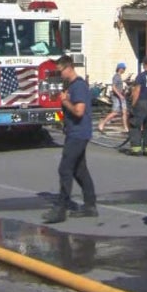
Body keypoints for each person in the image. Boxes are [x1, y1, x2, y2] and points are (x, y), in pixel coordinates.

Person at [42, 55, 97, 224]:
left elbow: (79, 111)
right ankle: (90, 206)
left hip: (78, 134)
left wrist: (65, 101)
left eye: (61, 71)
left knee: (65, 168)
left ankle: (61, 208)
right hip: (74, 132)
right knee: (79, 170)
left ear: (69, 68)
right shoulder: (72, 86)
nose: (60, 75)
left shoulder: (78, 86)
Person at [97, 62, 130, 133]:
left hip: (121, 96)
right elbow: (114, 87)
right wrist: (120, 95)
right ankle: (102, 123)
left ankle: (126, 128)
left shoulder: (119, 77)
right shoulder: (116, 76)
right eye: (124, 68)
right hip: (117, 96)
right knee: (115, 112)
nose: (124, 70)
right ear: (120, 68)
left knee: (124, 112)